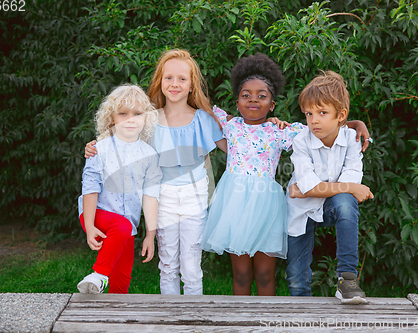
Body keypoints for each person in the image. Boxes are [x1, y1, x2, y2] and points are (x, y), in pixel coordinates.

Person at [201, 54, 370, 296]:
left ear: (272, 105)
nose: (253, 100)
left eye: (262, 96)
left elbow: (323, 124)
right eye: (245, 95)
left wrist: (356, 123)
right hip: (234, 203)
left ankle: (265, 323)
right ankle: (240, 322)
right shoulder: (230, 125)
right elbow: (200, 105)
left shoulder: (280, 131)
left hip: (265, 204)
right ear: (236, 102)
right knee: (241, 274)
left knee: (264, 274)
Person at [85, 49, 226, 296]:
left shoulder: (204, 119)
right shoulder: (148, 120)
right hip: (163, 196)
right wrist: (94, 146)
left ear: (192, 85)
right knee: (169, 264)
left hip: (195, 197)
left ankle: (194, 319)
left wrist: (270, 125)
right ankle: (169, 320)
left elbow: (239, 144)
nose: (175, 84)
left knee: (191, 266)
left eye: (182, 79)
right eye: (168, 78)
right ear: (160, 82)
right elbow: (119, 139)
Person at [285, 70, 374, 304]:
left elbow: (346, 186)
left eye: (323, 113)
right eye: (309, 113)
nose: (314, 120)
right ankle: (300, 317)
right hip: (302, 210)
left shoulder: (352, 140)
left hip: (329, 206)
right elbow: (311, 187)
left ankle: (347, 279)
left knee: (346, 202)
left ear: (341, 115)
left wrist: (309, 188)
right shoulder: (301, 141)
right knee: (296, 279)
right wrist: (308, 189)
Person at [77, 84, 161, 294]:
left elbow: (151, 197)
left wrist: (150, 236)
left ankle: (111, 318)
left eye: (137, 114)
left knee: (122, 283)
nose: (130, 119)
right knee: (121, 226)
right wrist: (89, 225)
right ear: (112, 118)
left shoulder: (149, 155)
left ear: (146, 118)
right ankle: (99, 274)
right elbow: (90, 187)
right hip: (97, 214)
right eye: (123, 113)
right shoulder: (99, 149)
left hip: (127, 227)